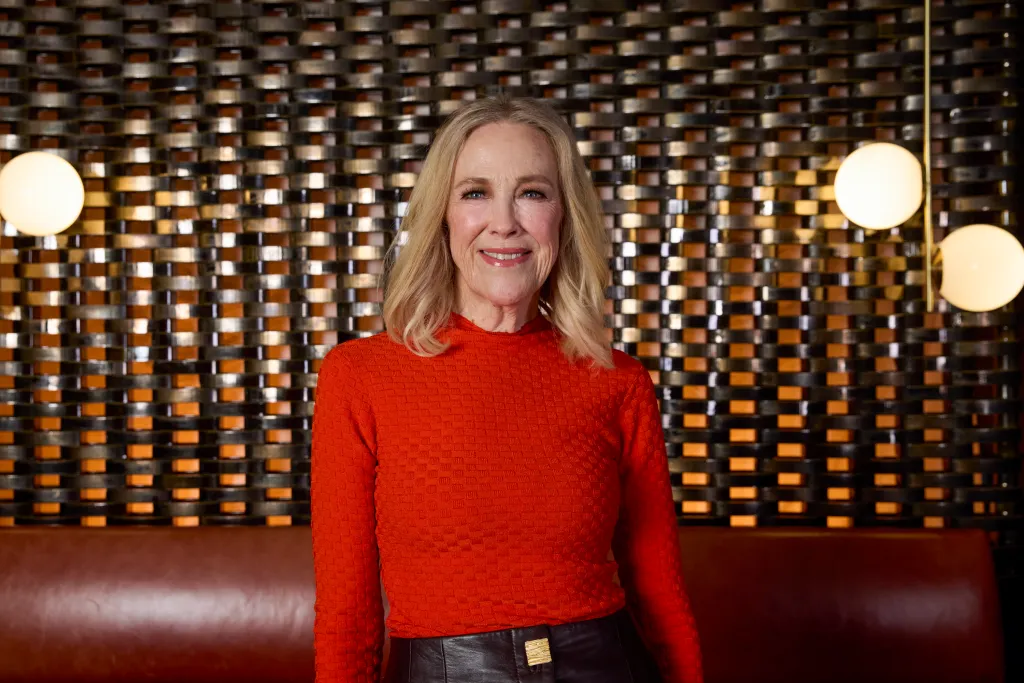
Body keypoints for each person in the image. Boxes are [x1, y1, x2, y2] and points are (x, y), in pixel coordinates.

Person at [310, 95, 703, 683]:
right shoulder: (360, 375)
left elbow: (662, 595)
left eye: (532, 192)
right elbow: (348, 614)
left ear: (563, 216)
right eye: (475, 193)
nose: (504, 222)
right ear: (442, 215)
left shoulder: (618, 381)